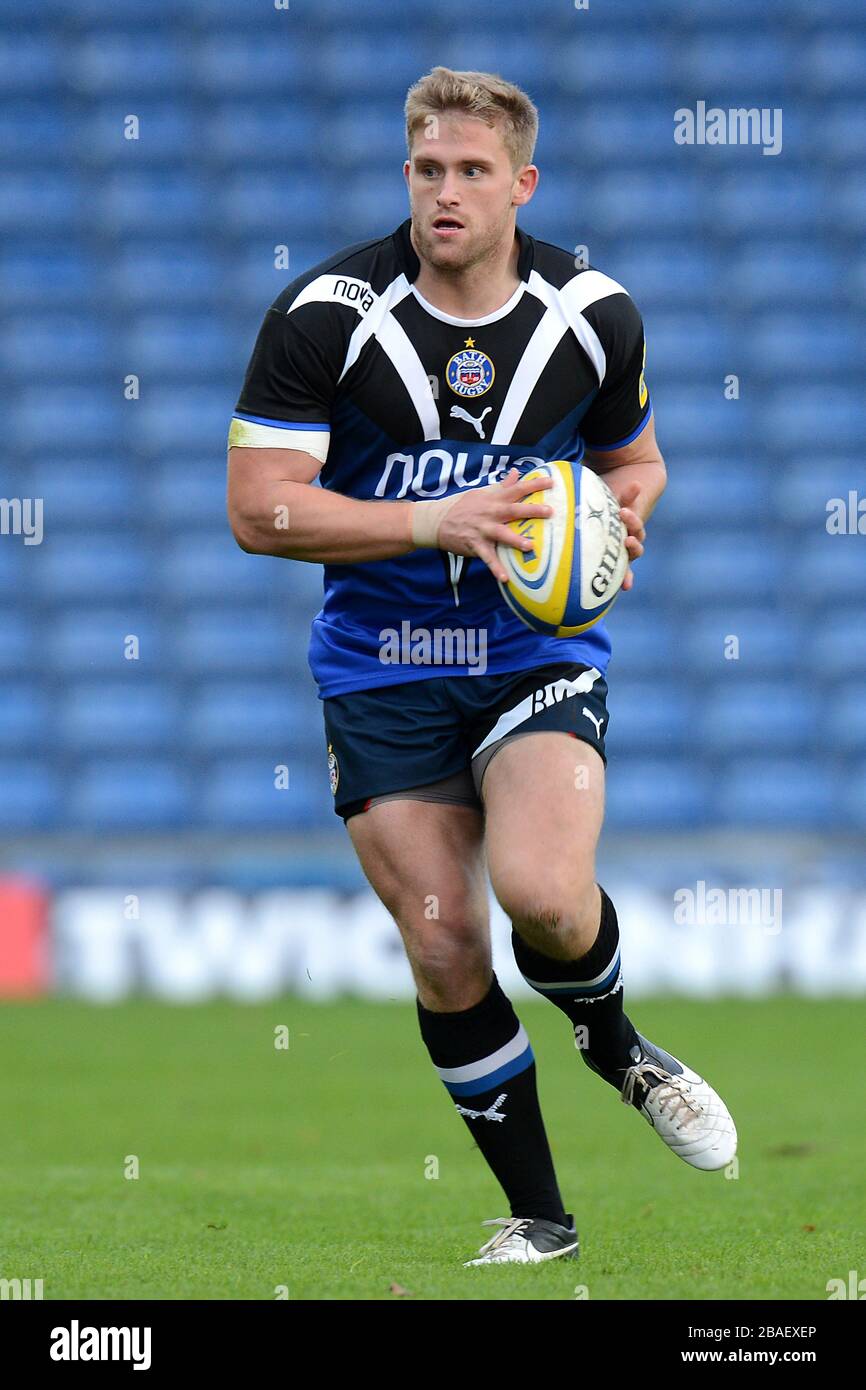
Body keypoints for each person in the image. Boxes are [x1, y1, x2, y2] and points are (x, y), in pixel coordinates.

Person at [227, 66, 737, 1267]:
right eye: (425, 170)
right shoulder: (325, 315)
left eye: (469, 172)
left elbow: (636, 460)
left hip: (528, 650)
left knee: (544, 896)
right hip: (381, 661)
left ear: (522, 183)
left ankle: (614, 1044)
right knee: (445, 936)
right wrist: (431, 521)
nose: (444, 193)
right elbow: (259, 511)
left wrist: (620, 517)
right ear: (404, 172)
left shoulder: (593, 314)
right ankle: (542, 1221)